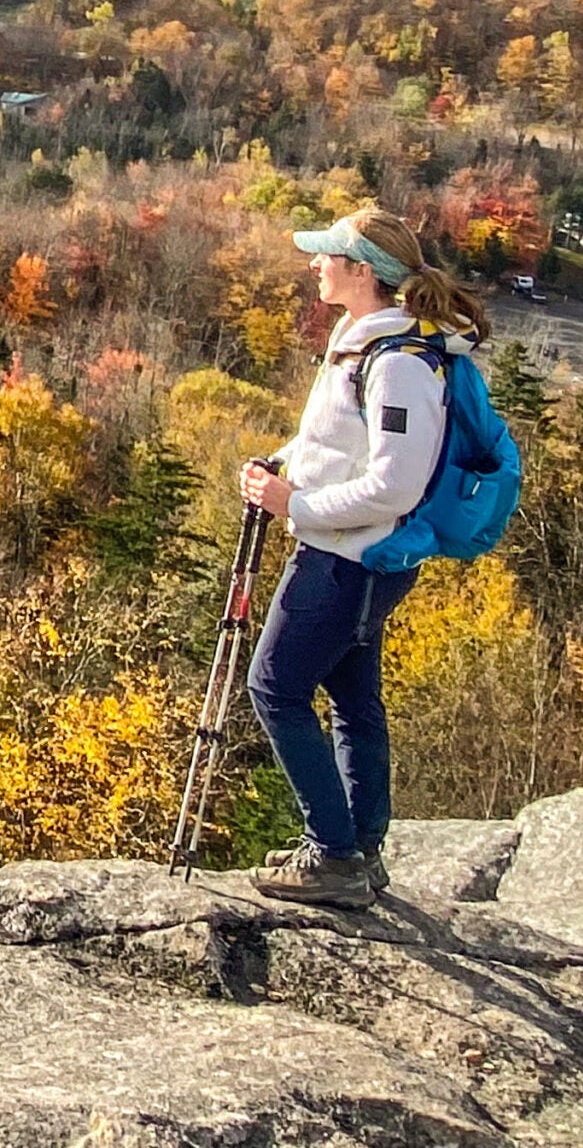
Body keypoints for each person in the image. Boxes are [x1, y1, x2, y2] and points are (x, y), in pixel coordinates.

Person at [238, 207, 490, 908]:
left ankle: (334, 852)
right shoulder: (364, 341)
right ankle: (360, 849)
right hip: (350, 552)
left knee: (276, 688)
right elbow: (334, 445)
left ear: (361, 272)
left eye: (326, 257)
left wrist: (296, 506)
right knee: (352, 699)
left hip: (347, 557)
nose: (314, 265)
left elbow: (395, 484)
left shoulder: (399, 364)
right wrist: (280, 469)